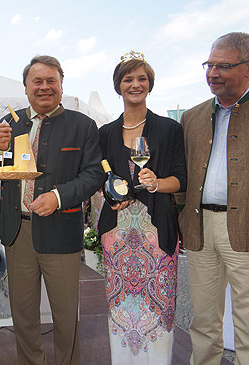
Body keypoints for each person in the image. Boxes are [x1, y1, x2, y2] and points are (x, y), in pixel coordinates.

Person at [0, 55, 103, 364]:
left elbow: (94, 174)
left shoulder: (83, 125)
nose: (44, 87)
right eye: (37, 81)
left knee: (66, 317)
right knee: (23, 317)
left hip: (60, 232)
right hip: (17, 232)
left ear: (62, 85)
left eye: (51, 80)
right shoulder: (10, 122)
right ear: (25, 87)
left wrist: (58, 196)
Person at [179, 32, 249, 364]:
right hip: (200, 231)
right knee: (202, 323)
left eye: (223, 66)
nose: (212, 73)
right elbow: (182, 179)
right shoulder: (191, 117)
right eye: (209, 64)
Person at [98, 52, 186, 364]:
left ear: (149, 84)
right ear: (118, 86)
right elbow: (101, 178)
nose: (135, 84)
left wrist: (157, 183)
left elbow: (181, 179)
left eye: (141, 79)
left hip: (156, 234)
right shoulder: (106, 132)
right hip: (117, 234)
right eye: (128, 79)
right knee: (121, 312)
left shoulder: (168, 129)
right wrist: (111, 195)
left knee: (158, 311)